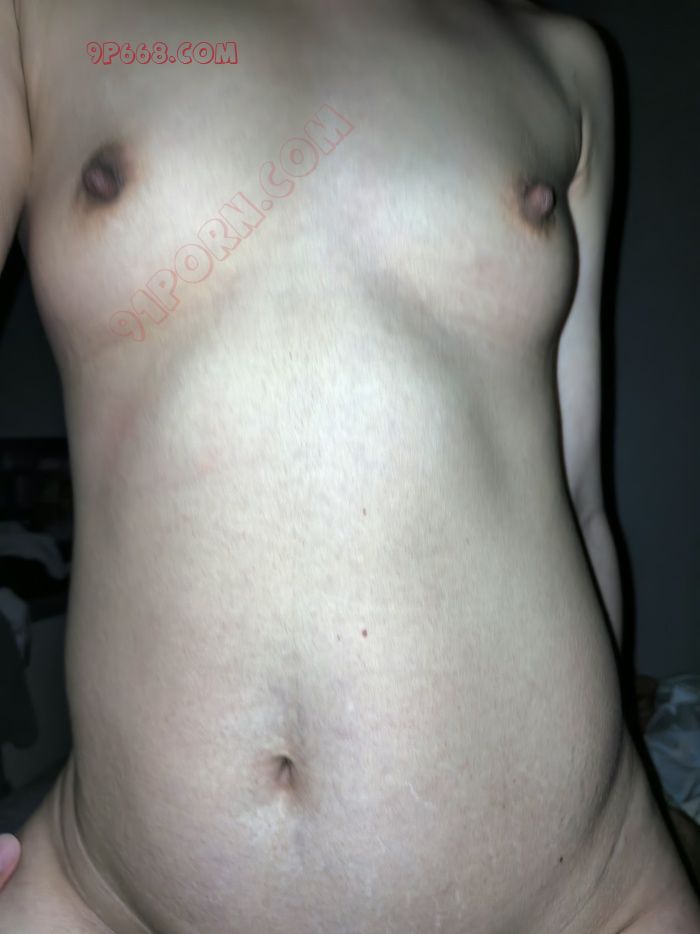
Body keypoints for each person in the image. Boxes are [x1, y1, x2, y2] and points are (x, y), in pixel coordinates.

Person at [1, 0, 699, 930]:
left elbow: (579, 501)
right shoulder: (40, 19)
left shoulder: (564, 60)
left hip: (582, 891)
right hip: (106, 895)